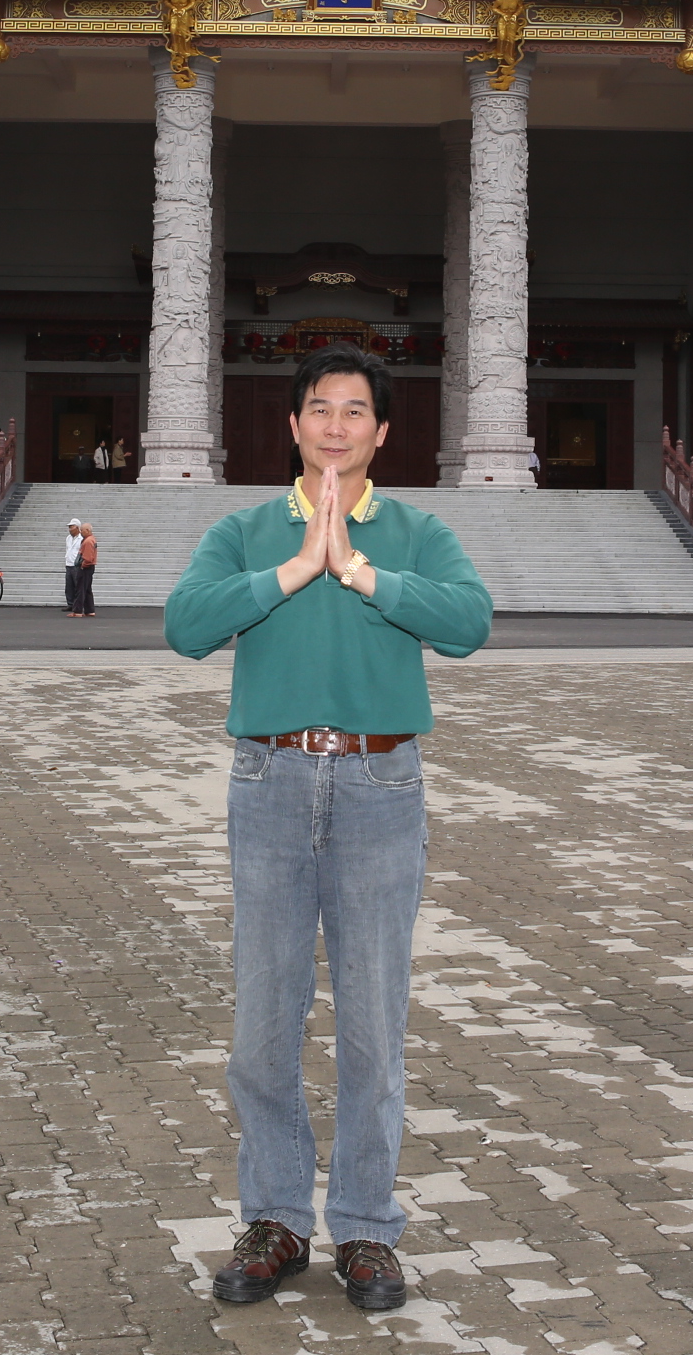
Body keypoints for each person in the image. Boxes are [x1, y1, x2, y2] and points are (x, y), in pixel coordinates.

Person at [164, 343, 493, 1314]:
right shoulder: (246, 530)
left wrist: (359, 574)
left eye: (355, 411)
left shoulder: (418, 532)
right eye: (320, 408)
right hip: (270, 779)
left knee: (372, 1022)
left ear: (381, 431)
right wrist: (295, 569)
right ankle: (274, 1219)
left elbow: (469, 624)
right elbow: (186, 626)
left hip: (380, 782)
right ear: (294, 425)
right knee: (263, 1021)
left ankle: (363, 1225)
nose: (336, 426)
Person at [63, 517, 93, 618]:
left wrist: (81, 563)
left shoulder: (83, 539)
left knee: (79, 587)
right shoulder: (68, 538)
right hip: (69, 563)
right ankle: (71, 604)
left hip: (77, 565)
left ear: (77, 527)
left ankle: (78, 607)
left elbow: (86, 554)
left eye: (71, 527)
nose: (69, 529)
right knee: (69, 586)